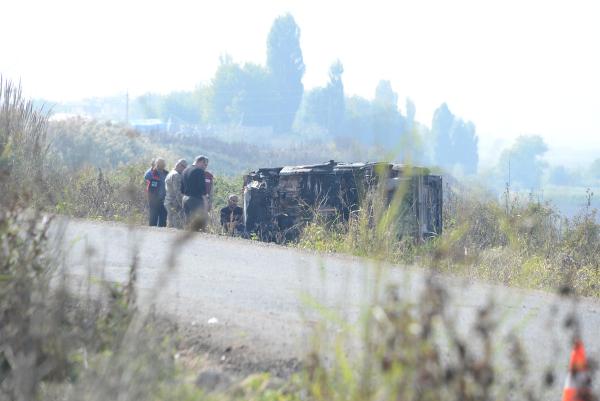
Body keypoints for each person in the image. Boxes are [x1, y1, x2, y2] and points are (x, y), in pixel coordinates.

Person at [181, 155, 208, 229]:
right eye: (204, 164)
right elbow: (202, 187)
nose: (205, 166)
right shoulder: (199, 171)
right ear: (200, 162)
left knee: (187, 222)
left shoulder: (185, 170)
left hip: (185, 198)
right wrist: (205, 200)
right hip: (196, 199)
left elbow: (182, 188)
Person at [144, 157, 168, 227]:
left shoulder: (166, 173)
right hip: (154, 199)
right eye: (159, 163)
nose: (162, 165)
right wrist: (152, 168)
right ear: (156, 164)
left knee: (163, 217)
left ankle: (161, 231)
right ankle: (152, 231)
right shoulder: (152, 172)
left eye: (163, 164)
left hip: (164, 198)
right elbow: (146, 177)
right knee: (153, 216)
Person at [164, 158, 187, 229]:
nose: (184, 170)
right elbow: (178, 192)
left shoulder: (170, 173)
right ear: (180, 165)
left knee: (170, 224)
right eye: (184, 167)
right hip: (174, 203)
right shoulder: (176, 175)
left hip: (168, 201)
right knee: (177, 226)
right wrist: (182, 204)